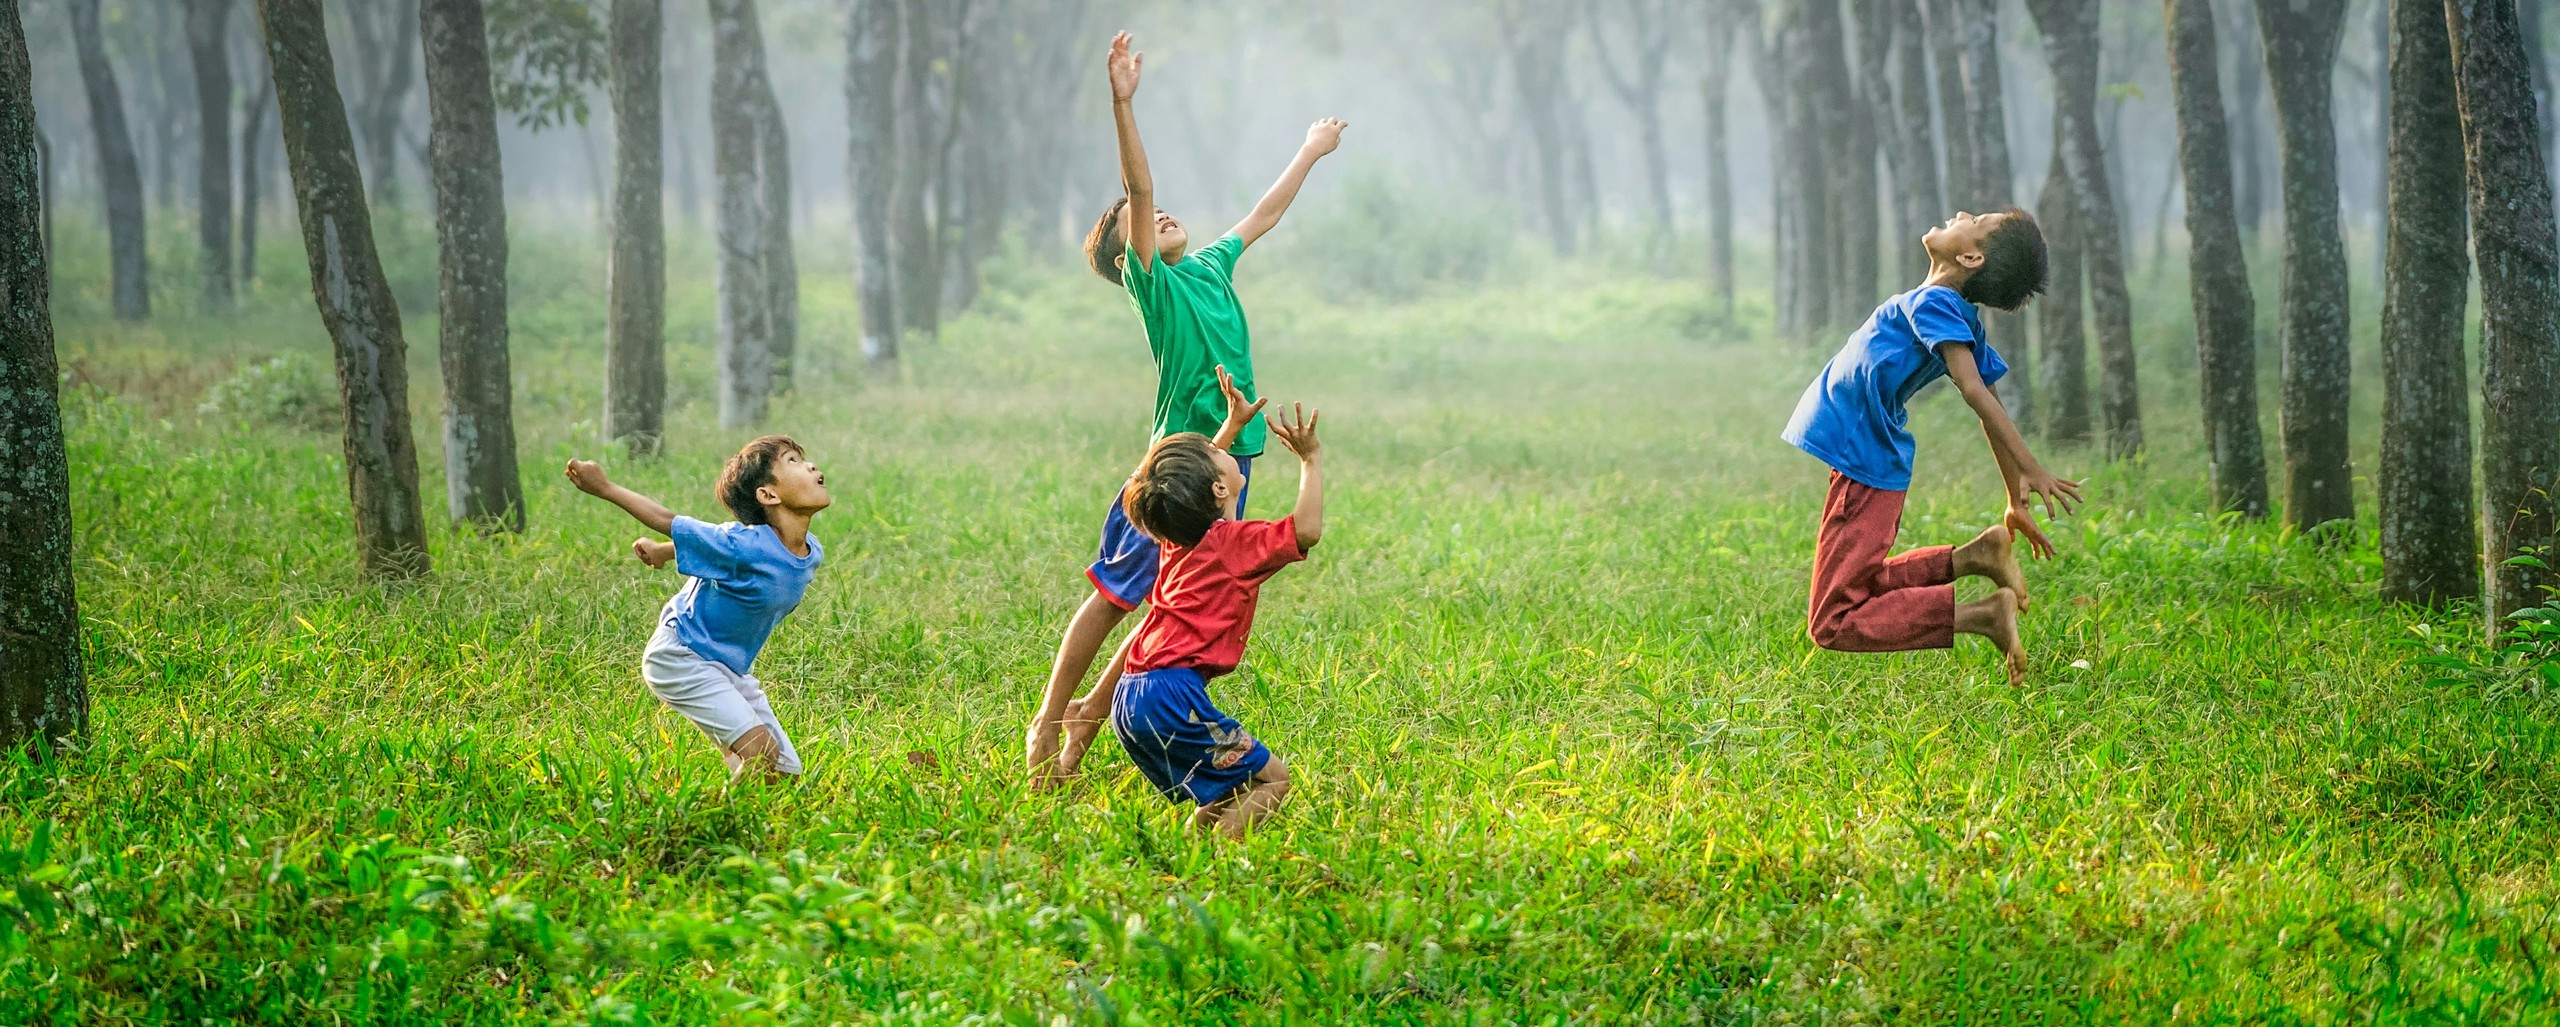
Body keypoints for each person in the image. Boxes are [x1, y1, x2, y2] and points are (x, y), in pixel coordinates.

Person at [1025, 29, 1346, 784]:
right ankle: (1048, 726)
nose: (1158, 213)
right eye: (1137, 222)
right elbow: (1137, 189)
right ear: (1124, 257)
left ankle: (1078, 744)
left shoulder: (1207, 265)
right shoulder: (1156, 287)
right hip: (1176, 465)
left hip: (1229, 460)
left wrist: (1309, 150)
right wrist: (1122, 103)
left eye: (1163, 211)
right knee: (1113, 597)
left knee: (1170, 610)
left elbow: (1263, 214)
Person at [1781, 208, 2080, 685]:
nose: (1962, 212)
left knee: (1833, 620)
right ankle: (1975, 557)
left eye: (1976, 219)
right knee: (1859, 585)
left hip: (1865, 460)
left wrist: (2030, 468)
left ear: (1970, 255)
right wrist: (2012, 496)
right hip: (1865, 458)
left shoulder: (1938, 303)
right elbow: (1989, 399)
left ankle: (1982, 616)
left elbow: (1977, 390)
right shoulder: (1948, 308)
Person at [1109, 397, 1324, 839]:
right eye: (1220, 453)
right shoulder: (1235, 544)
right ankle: (1220, 861)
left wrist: (1230, 426)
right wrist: (1310, 459)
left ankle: (1187, 854)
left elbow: (1186, 486)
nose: (1222, 449)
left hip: (1130, 696)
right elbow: (1307, 530)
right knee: (1274, 780)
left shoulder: (1177, 536)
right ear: (1219, 490)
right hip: (1172, 698)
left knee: (1227, 787)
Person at [565, 437, 830, 781]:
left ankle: (747, 804)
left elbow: (715, 552)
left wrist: (662, 552)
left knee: (783, 774)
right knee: (761, 756)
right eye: (793, 461)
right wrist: (604, 487)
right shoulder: (742, 544)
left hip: (729, 669)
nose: (810, 466)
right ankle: (706, 825)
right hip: (682, 656)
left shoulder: (811, 552)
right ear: (768, 495)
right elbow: (668, 519)